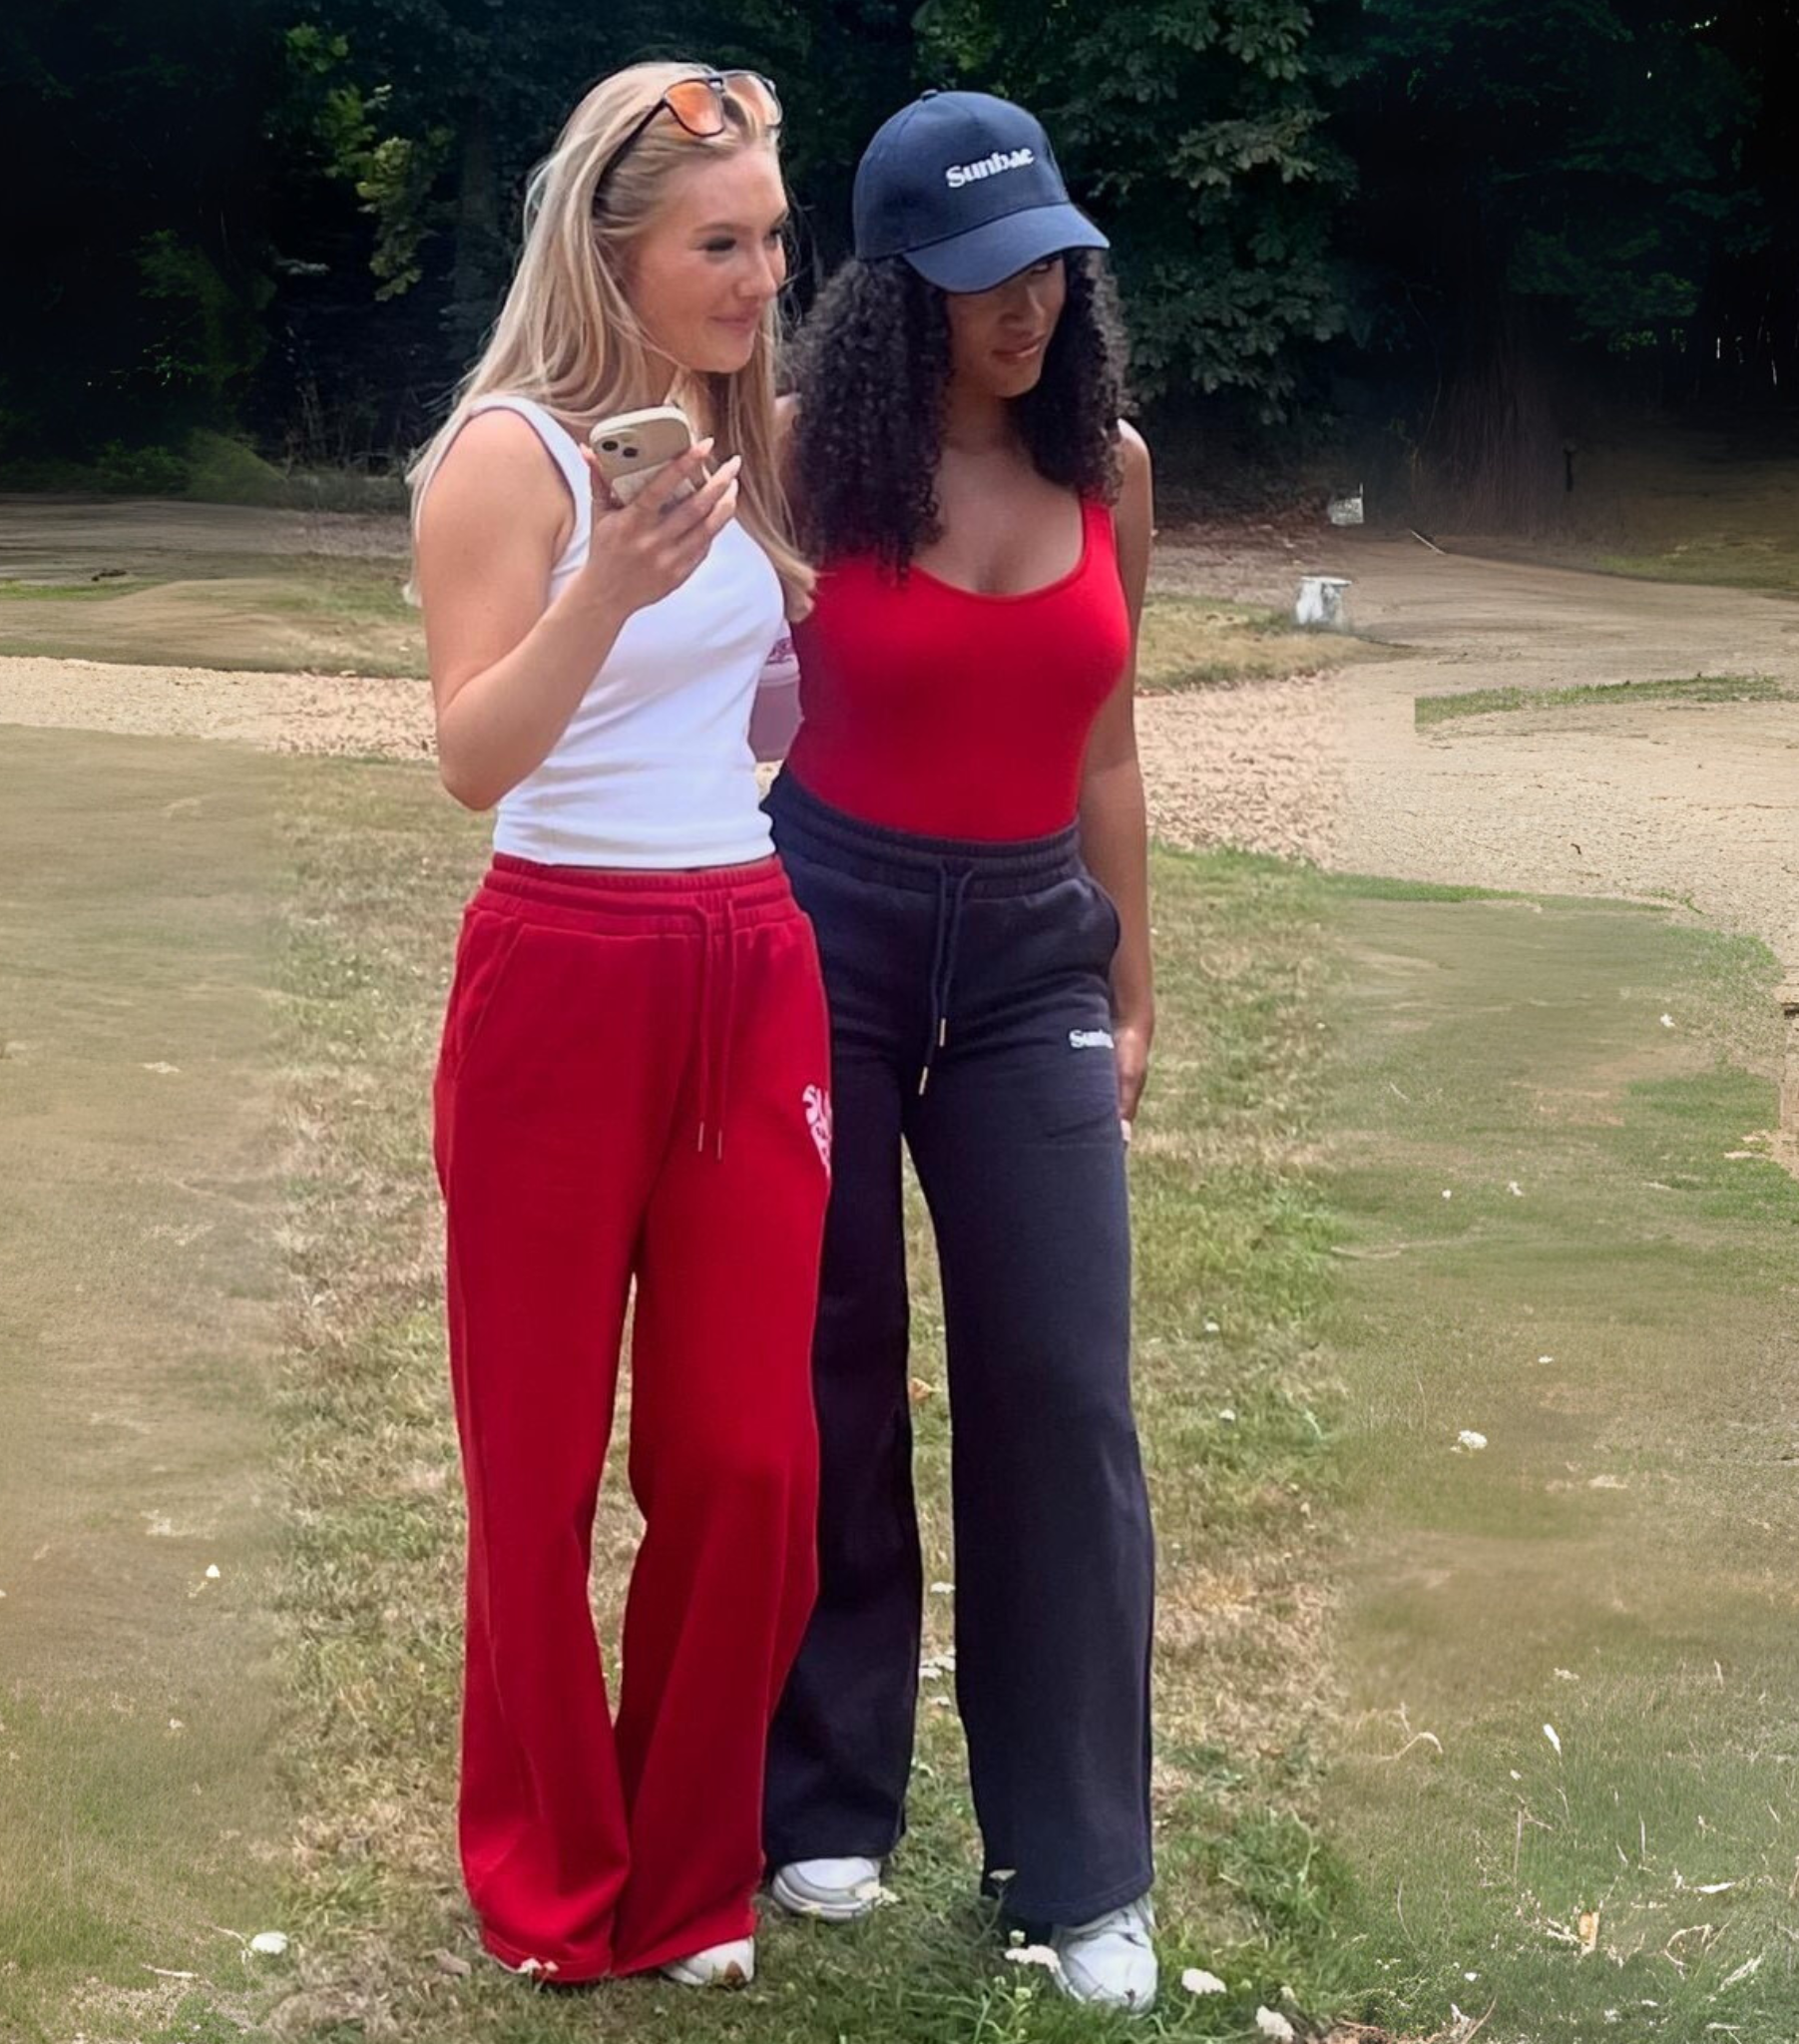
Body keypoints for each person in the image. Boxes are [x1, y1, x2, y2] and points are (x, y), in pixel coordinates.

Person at [407, 61, 830, 1991]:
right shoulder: (513, 458)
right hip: (564, 966)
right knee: (535, 1451)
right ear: (614, 253)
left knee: (749, 1456)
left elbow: (744, 717)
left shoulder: (751, 444)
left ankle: (691, 1878)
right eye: (718, 245)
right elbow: (474, 753)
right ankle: (552, 1884)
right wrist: (614, 590)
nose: (759, 277)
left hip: (750, 957)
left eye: (769, 238)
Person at [759, 90, 1160, 2010]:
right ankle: (827, 1798)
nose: (1037, 304)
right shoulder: (804, 469)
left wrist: (1135, 982)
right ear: (899, 288)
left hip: (1026, 967)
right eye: (992, 275)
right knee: (830, 1364)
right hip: (819, 933)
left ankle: (1078, 1866)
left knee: (1063, 1388)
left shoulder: (1114, 472)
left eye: (1056, 264)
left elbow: (1107, 745)